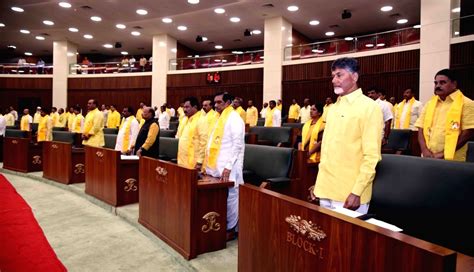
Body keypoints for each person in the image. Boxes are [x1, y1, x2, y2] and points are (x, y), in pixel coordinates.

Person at [312, 57, 382, 214]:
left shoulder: (369, 108)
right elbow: (329, 150)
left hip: (349, 193)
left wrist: (357, 191)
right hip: (326, 189)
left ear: (355, 77)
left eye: (339, 75)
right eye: (333, 76)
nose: (334, 80)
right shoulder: (332, 108)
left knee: (348, 239)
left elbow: (371, 156)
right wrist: (318, 185)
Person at [204, 92, 245, 240]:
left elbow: (237, 145)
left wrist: (228, 166)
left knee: (232, 196)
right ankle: (221, 224)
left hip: (230, 166)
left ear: (228, 102)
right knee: (220, 196)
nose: (215, 105)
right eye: (214, 102)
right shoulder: (218, 118)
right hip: (216, 165)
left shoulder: (234, 119)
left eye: (219, 102)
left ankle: (231, 228)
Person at [415, 69, 474, 161]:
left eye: (442, 82)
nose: (438, 86)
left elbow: (468, 132)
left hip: (453, 159)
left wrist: (443, 153)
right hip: (428, 157)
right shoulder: (429, 104)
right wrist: (424, 150)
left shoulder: (467, 103)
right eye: (436, 83)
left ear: (454, 84)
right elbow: (420, 128)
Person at [178, 97, 208, 169]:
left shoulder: (201, 120)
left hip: (194, 162)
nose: (184, 110)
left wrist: (199, 162)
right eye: (184, 107)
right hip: (182, 160)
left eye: (187, 107)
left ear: (195, 107)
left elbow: (204, 142)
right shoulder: (185, 119)